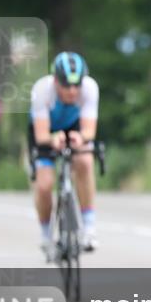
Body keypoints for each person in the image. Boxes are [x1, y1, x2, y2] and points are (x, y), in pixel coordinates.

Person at [28, 51, 100, 259]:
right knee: (44, 186)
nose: (72, 90)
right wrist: (52, 139)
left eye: (76, 85)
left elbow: (89, 131)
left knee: (85, 161)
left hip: (74, 127)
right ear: (55, 81)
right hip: (45, 130)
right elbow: (41, 135)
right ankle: (45, 237)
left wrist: (79, 137)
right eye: (66, 85)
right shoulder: (42, 90)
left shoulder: (90, 88)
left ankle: (88, 228)